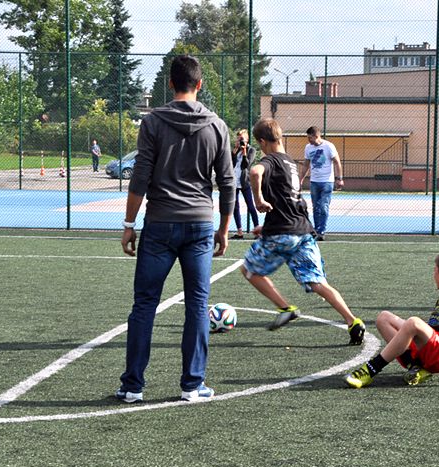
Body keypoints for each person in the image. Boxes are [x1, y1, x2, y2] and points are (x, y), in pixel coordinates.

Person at [116, 55, 235, 403]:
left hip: (159, 224)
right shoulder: (217, 126)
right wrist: (224, 230)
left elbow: (140, 176)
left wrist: (128, 224)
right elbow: (227, 184)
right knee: (198, 305)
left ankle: (132, 386)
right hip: (199, 225)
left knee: (144, 305)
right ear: (199, 85)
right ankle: (192, 385)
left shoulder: (153, 122)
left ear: (170, 84)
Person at [242, 117, 365, 344]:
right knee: (318, 283)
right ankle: (353, 321)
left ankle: (285, 308)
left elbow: (255, 173)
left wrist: (258, 200)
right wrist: (266, 226)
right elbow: (288, 203)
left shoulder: (270, 160)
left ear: (261, 141)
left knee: (249, 270)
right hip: (303, 232)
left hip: (283, 234)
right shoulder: (290, 162)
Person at [345, 251, 439, 390]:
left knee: (413, 322)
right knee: (384, 318)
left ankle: (370, 369)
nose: (434, 274)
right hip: (430, 349)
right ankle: (416, 368)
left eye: (435, 270)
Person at [299, 126, 343, 241]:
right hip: (314, 182)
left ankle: (321, 230)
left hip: (327, 182)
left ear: (316, 136)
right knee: (315, 207)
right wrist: (301, 179)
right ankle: (316, 230)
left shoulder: (329, 146)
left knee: (323, 206)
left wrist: (339, 178)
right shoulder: (308, 148)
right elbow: (306, 165)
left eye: (310, 138)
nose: (308, 140)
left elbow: (337, 162)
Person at [231, 129, 259, 239]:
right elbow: (231, 164)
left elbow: (246, 165)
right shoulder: (235, 150)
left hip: (244, 181)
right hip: (234, 181)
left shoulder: (251, 150)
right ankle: (239, 231)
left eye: (242, 139)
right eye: (238, 139)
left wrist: (244, 153)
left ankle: (257, 229)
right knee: (235, 206)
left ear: (247, 139)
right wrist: (234, 153)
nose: (240, 141)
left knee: (250, 206)